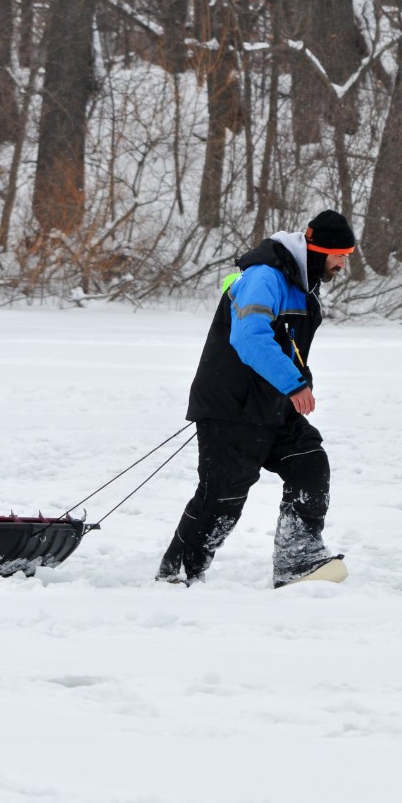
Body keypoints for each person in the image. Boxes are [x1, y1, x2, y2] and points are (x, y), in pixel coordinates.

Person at [156, 210, 355, 588]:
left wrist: (295, 384)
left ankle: (298, 560)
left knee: (310, 465)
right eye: (339, 255)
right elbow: (249, 337)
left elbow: (290, 344)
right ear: (316, 250)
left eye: (346, 255)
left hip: (273, 408)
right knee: (222, 498)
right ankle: (177, 575)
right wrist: (295, 385)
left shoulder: (301, 283)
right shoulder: (265, 277)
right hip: (232, 406)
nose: (343, 263)